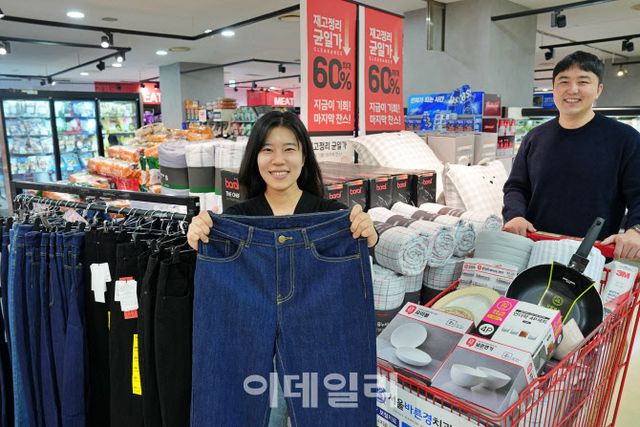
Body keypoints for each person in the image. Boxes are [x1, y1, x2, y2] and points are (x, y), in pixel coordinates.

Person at [186, 110, 377, 426]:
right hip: (243, 275)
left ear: (304, 156)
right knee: (226, 384)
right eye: (267, 149)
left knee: (334, 387)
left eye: (289, 148)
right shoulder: (236, 219)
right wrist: (198, 235)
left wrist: (369, 233)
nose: (278, 160)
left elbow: (364, 243)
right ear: (255, 157)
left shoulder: (332, 214)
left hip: (321, 282)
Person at [502, 50, 640, 260]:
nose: (572, 89)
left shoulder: (625, 139)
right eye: (564, 81)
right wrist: (515, 215)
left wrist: (635, 230)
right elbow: (516, 187)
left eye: (583, 81)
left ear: (598, 90)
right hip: (533, 250)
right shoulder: (535, 137)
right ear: (554, 89)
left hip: (593, 257)